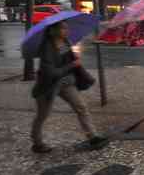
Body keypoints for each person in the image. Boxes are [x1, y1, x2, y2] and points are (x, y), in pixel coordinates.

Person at [31, 21, 108, 153]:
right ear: (53, 31)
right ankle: (37, 143)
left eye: (67, 28)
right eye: (63, 28)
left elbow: (67, 58)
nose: (67, 31)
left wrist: (75, 55)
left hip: (65, 82)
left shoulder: (65, 42)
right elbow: (51, 72)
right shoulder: (46, 48)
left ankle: (92, 137)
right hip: (48, 86)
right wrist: (72, 65)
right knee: (43, 115)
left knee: (81, 107)